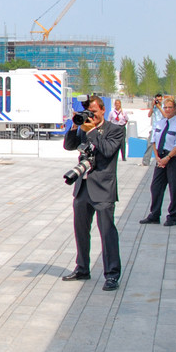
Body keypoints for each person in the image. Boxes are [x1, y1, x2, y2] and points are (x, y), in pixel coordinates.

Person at [61, 96, 124, 291]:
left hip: (103, 190)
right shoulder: (83, 127)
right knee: (81, 231)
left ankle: (112, 274)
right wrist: (74, 126)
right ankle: (82, 268)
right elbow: (69, 146)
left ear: (103, 110)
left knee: (107, 233)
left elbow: (107, 151)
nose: (91, 116)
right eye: (88, 112)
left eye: (94, 112)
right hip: (83, 187)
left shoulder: (116, 130)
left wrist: (93, 131)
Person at [138, 97, 176, 227]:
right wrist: (158, 157)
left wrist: (167, 158)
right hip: (160, 157)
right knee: (156, 186)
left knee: (174, 188)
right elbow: (154, 140)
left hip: (173, 157)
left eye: (170, 107)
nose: (167, 110)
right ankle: (154, 214)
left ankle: (172, 216)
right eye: (165, 107)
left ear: (175, 109)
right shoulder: (160, 123)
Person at [141, 94, 163, 166]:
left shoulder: (163, 107)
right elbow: (149, 115)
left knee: (160, 146)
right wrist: (152, 106)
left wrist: (159, 107)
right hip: (154, 129)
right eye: (157, 100)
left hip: (161, 129)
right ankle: (146, 161)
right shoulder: (154, 108)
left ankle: (161, 160)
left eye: (159, 100)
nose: (158, 101)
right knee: (149, 145)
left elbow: (165, 115)